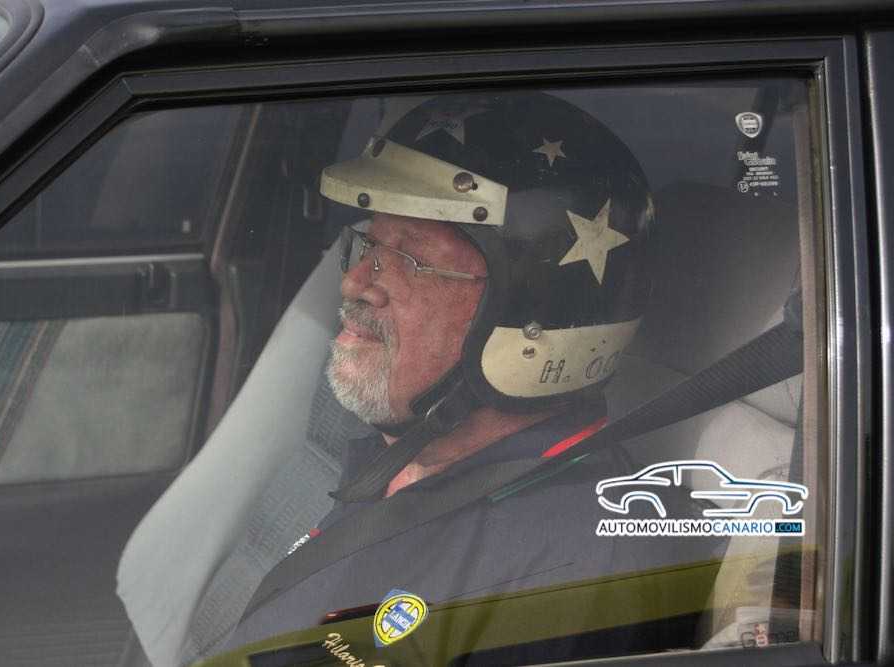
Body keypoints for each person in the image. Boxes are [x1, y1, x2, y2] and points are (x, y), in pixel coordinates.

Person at [204, 92, 724, 662]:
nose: (356, 282)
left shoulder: (573, 574)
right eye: (370, 244)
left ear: (531, 314)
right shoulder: (402, 456)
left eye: (410, 260)